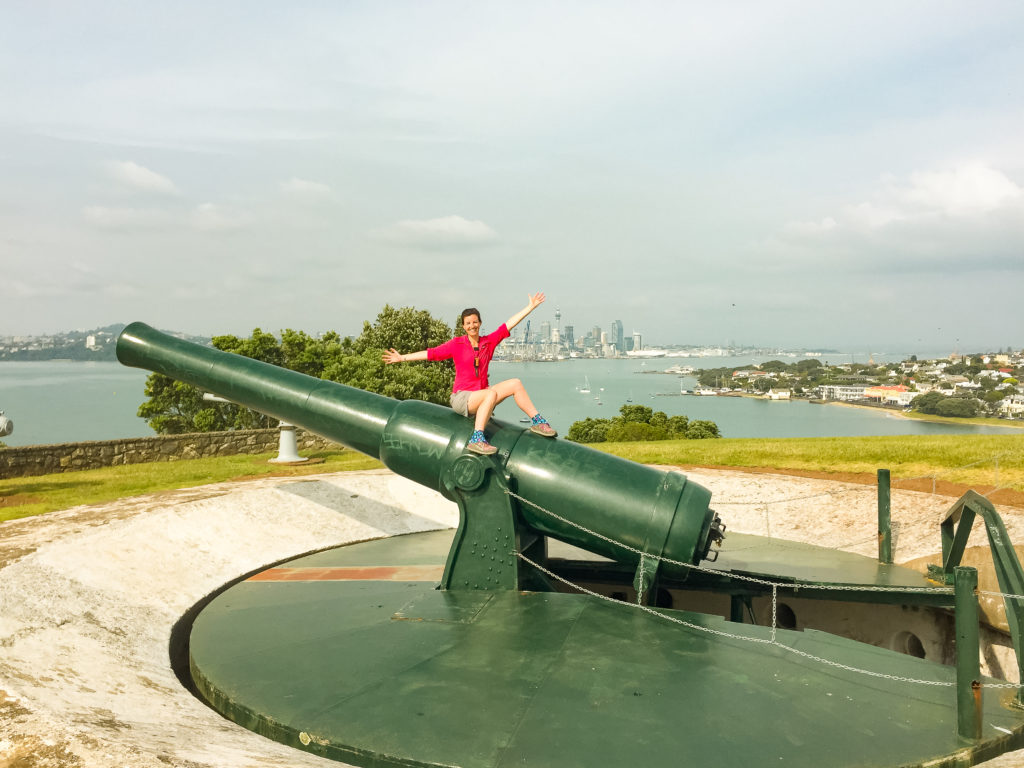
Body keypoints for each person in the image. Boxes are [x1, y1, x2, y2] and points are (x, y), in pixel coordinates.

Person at [382, 293, 556, 455]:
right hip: (462, 398)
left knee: (515, 383)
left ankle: (539, 422)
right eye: (468, 323)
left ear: (480, 323)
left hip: (483, 396)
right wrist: (402, 358)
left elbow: (509, 324)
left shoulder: (488, 342)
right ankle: (477, 438)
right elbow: (430, 354)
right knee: (490, 393)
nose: (472, 326)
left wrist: (530, 307)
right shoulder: (456, 344)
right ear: (463, 326)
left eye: (475, 322)